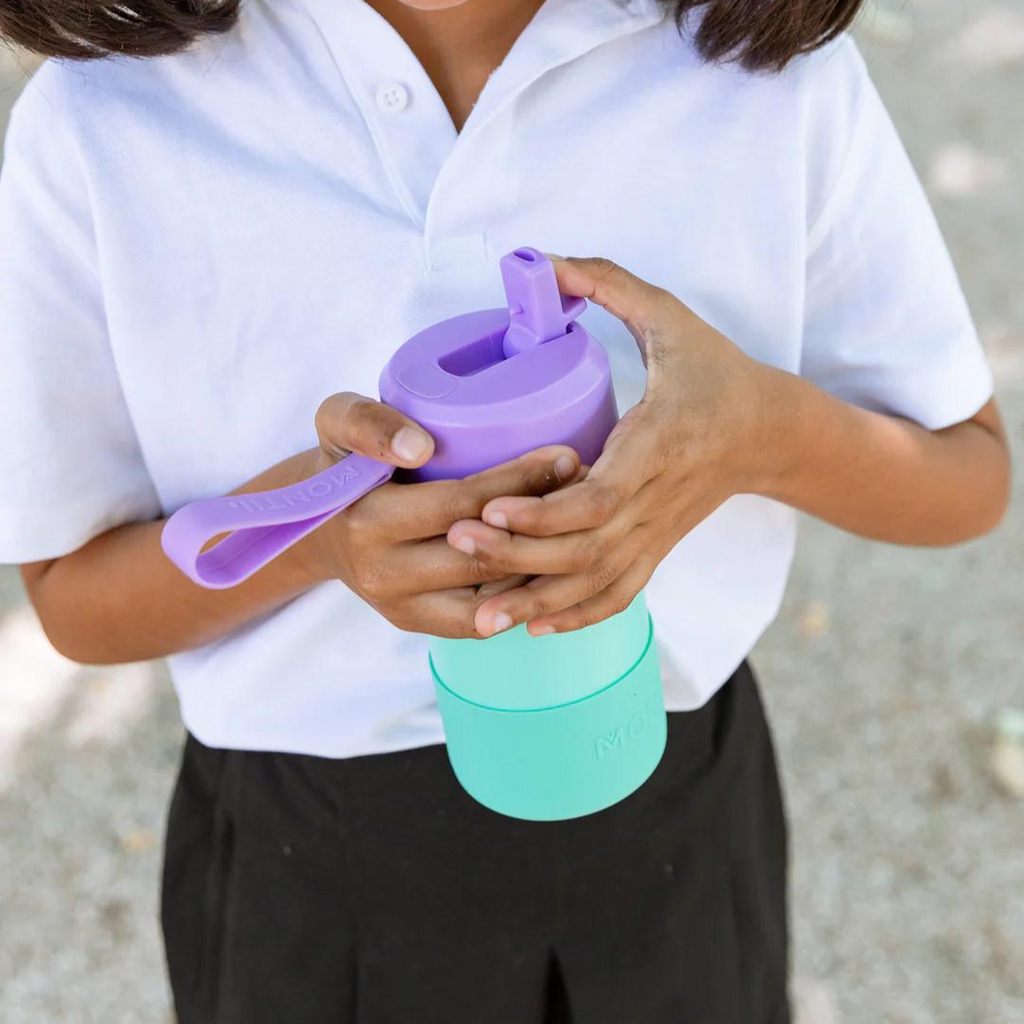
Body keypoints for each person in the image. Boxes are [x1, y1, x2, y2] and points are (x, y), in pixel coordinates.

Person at [0, 0, 1010, 1021]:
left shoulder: (759, 72)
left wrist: (761, 433)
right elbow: (77, 601)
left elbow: (965, 477)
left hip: (679, 831)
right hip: (308, 871)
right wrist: (319, 541)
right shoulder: (105, 122)